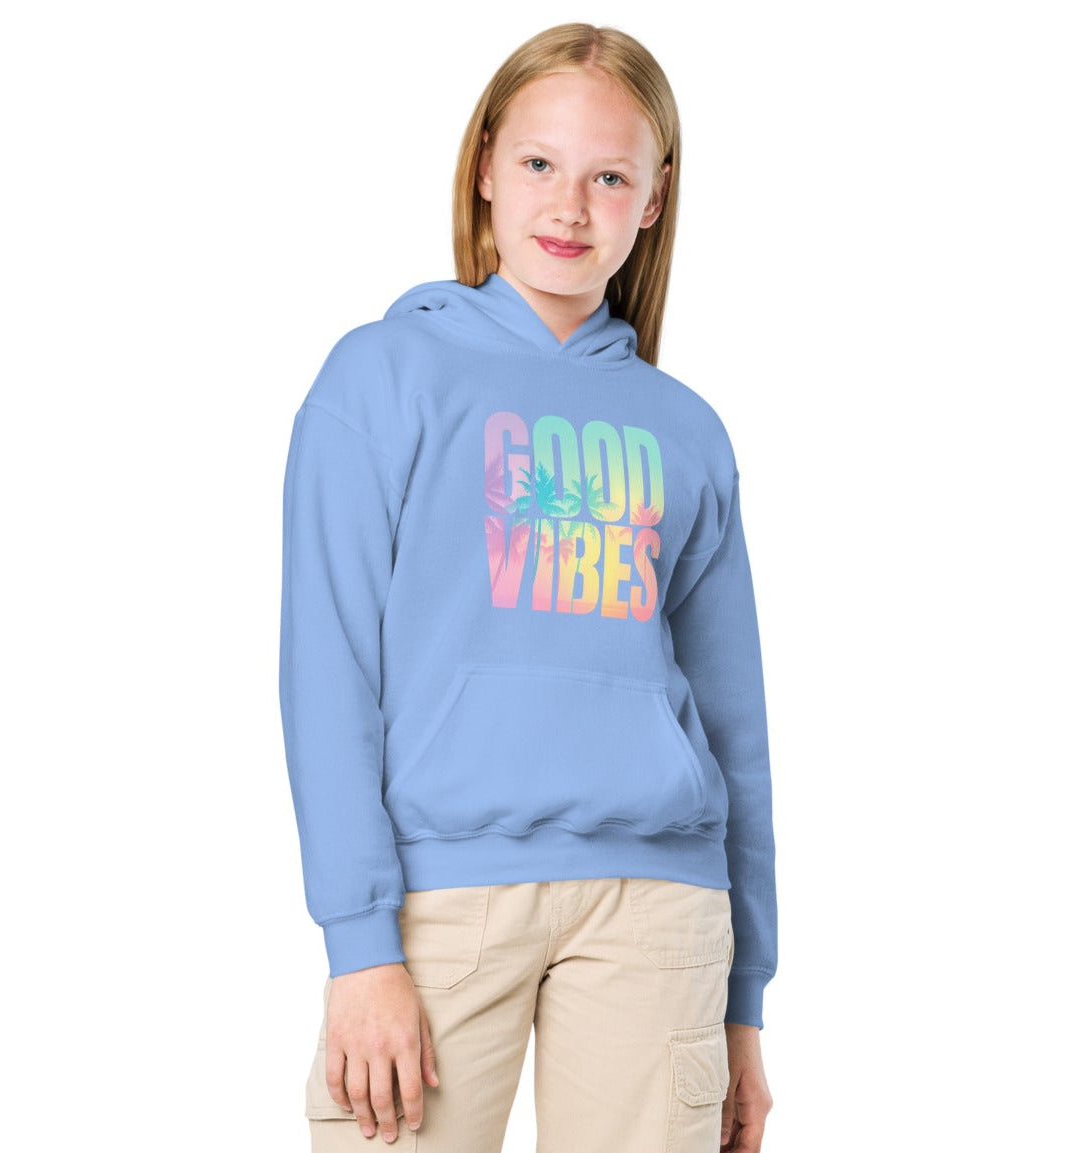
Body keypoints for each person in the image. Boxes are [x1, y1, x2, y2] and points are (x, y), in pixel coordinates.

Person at [280, 22, 777, 1153]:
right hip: (439, 901)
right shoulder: (382, 377)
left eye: (609, 177)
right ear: (485, 168)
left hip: (658, 907)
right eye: (541, 163)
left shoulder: (686, 429)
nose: (569, 206)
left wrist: (744, 1004)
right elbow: (327, 671)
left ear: (653, 199)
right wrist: (358, 945)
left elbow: (735, 723)